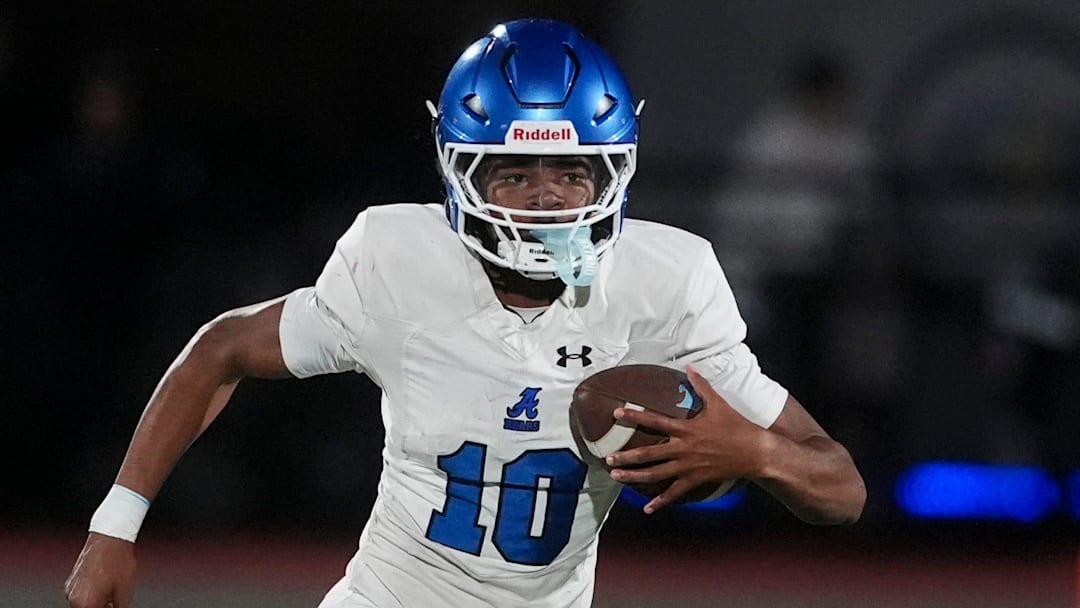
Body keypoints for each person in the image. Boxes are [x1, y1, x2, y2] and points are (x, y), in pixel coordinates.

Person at [64, 19, 866, 608]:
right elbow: (221, 350)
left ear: (614, 173)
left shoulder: (667, 281)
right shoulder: (399, 260)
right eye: (513, 172)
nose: (547, 195)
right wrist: (114, 525)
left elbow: (843, 489)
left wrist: (758, 452)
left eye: (573, 171)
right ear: (460, 175)